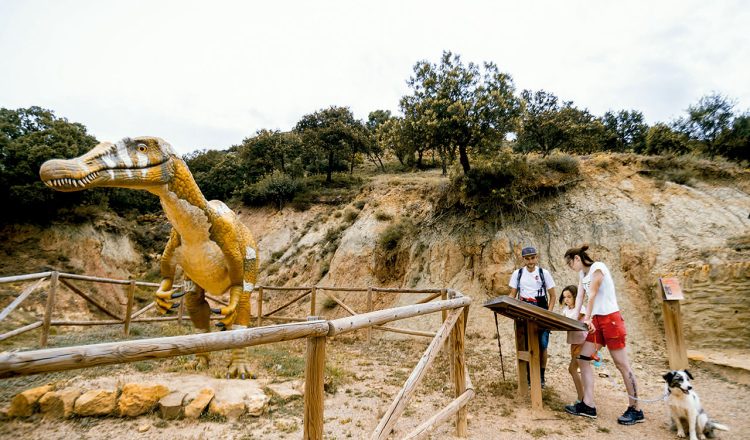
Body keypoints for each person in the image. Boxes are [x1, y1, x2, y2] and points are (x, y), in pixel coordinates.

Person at [563, 244, 644, 425]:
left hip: (610, 319)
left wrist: (588, 318)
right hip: (596, 322)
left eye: (570, 264)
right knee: (583, 358)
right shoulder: (582, 275)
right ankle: (588, 404)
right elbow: (580, 297)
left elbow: (591, 294)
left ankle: (636, 409)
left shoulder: (598, 268)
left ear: (577, 259)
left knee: (621, 364)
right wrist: (575, 320)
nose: (571, 268)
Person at [508, 246, 556, 388]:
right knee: (526, 343)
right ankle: (529, 376)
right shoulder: (517, 274)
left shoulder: (544, 273)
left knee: (542, 344)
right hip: (523, 308)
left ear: (536, 257)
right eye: (527, 258)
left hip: (540, 306)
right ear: (523, 259)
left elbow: (553, 296)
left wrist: (549, 313)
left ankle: (541, 376)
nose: (530, 261)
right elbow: (512, 293)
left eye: (533, 258)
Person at [558, 284, 588, 405]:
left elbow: (573, 321)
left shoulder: (581, 309)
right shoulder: (566, 310)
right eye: (565, 297)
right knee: (576, 369)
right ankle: (583, 397)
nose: (566, 300)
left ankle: (582, 398)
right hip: (574, 343)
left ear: (576, 297)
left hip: (582, 342)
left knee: (573, 369)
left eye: (569, 297)